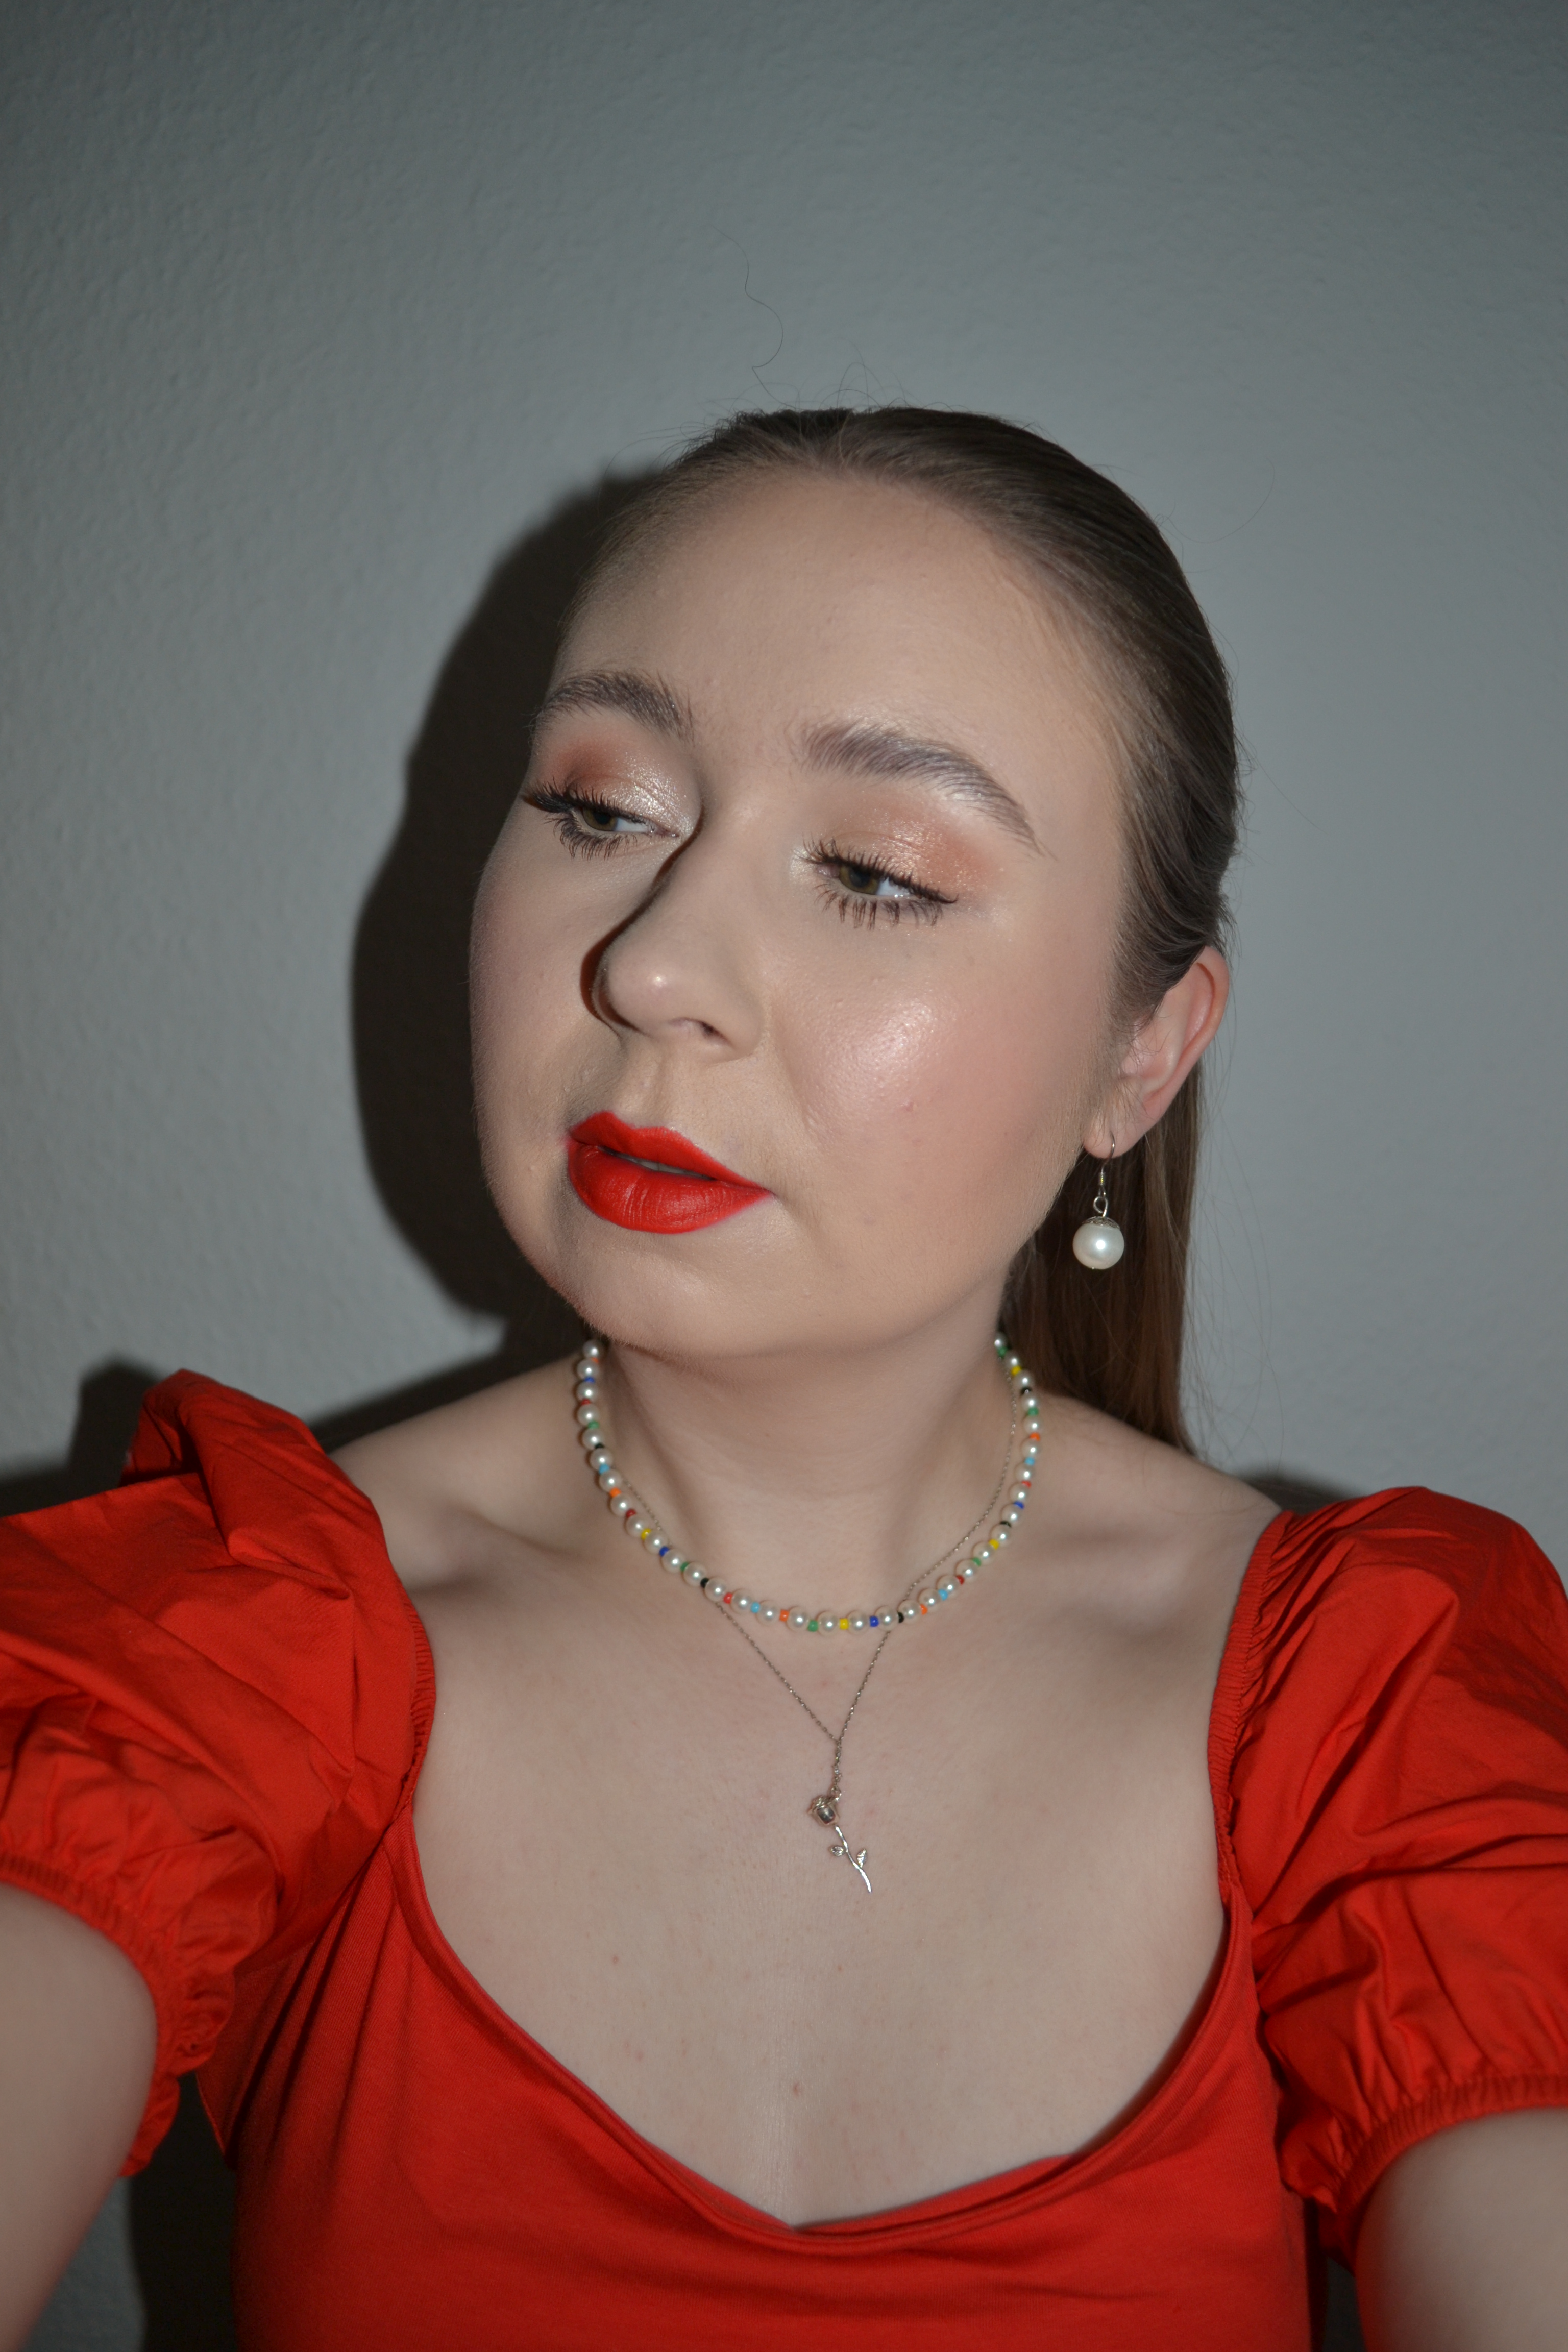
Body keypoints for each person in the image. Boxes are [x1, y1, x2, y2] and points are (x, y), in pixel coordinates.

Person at [2, 408, 1565, 2352]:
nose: (654, 966)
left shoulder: (1380, 1725)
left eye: (878, 873)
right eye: (601, 808)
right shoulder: (222, 1640)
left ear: (1143, 1055)